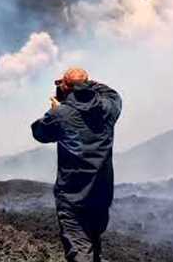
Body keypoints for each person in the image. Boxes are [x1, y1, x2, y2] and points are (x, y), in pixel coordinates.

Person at [31, 67, 122, 262]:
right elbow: (113, 94)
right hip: (101, 193)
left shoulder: (61, 115)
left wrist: (54, 110)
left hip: (73, 195)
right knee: (93, 242)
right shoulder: (107, 109)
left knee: (79, 247)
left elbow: (39, 132)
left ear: (67, 87)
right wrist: (85, 85)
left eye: (62, 83)